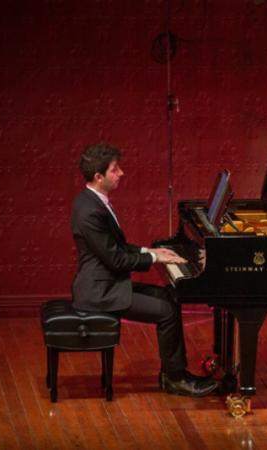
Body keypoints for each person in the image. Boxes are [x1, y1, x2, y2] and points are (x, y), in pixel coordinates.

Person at [71, 143, 218, 397]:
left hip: (108, 283)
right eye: (115, 170)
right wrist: (153, 258)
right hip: (100, 292)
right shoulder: (89, 210)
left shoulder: (94, 201)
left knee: (170, 296)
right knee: (166, 312)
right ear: (98, 177)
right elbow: (115, 260)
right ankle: (176, 379)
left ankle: (171, 372)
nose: (121, 173)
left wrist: (149, 252)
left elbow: (114, 246)